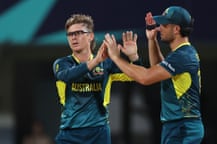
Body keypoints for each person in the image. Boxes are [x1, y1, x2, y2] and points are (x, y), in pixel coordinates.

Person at [104, 6, 204, 144]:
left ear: (176, 29)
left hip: (183, 126)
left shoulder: (183, 56)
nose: (159, 28)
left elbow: (146, 78)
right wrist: (152, 40)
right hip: (178, 125)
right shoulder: (181, 54)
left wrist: (116, 57)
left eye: (164, 25)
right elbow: (157, 69)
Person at [52, 14, 140, 144]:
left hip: (98, 133)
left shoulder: (107, 65)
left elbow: (137, 75)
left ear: (91, 36)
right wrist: (96, 60)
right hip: (70, 134)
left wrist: (134, 56)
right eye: (70, 34)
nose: (73, 38)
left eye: (78, 33)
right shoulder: (62, 63)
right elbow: (67, 76)